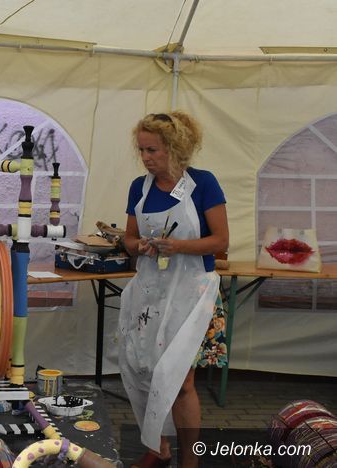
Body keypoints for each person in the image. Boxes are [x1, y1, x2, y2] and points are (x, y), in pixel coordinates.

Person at [118, 112, 229, 468]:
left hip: (192, 295)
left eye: (152, 150)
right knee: (146, 373)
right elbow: (129, 238)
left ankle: (189, 462)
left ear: (174, 148)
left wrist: (178, 246)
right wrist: (138, 246)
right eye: (141, 150)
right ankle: (158, 449)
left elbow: (221, 241)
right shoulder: (140, 188)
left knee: (180, 381)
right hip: (151, 295)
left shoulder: (203, 184)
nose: (145, 157)